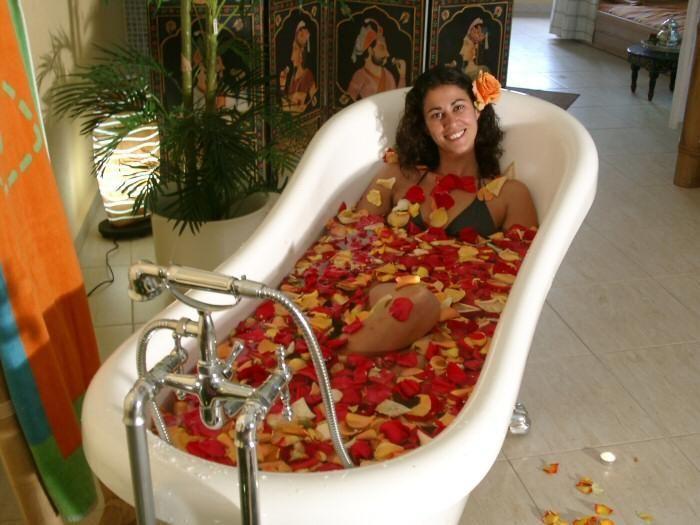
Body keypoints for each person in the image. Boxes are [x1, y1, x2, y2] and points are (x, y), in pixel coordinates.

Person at [344, 65, 537, 355]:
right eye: (436, 115)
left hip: (459, 315)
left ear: (477, 110)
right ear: (424, 127)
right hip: (391, 294)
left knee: (422, 355)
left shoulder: (511, 194)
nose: (450, 122)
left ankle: (328, 362)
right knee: (418, 301)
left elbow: (523, 280)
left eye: (458, 107)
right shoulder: (398, 175)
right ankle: (335, 359)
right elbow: (353, 237)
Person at [344, 18, 406, 102]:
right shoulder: (360, 76)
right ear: (370, 50)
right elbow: (348, 105)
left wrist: (402, 76)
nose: (387, 54)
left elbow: (397, 103)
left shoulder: (389, 76)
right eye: (382, 48)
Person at [279, 20, 318, 114]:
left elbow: (292, 107)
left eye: (295, 50)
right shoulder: (293, 76)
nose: (291, 57)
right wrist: (282, 86)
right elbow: (287, 105)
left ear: (301, 54)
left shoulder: (307, 75)